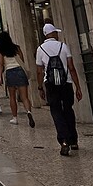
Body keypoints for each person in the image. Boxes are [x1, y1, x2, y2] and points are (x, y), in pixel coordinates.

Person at [36, 23, 83, 156]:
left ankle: (63, 141)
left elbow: (39, 71)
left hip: (50, 85)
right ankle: (73, 140)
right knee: (68, 109)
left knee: (56, 111)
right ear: (53, 34)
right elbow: (71, 67)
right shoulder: (63, 46)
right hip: (66, 83)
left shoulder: (40, 49)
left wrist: (40, 87)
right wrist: (78, 86)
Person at [0, 30, 34, 127]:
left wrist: (0, 77)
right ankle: (28, 111)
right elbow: (22, 60)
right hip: (20, 71)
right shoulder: (16, 48)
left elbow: (1, 64)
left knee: (12, 97)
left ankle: (15, 117)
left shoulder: (0, 51)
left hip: (10, 73)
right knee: (24, 96)